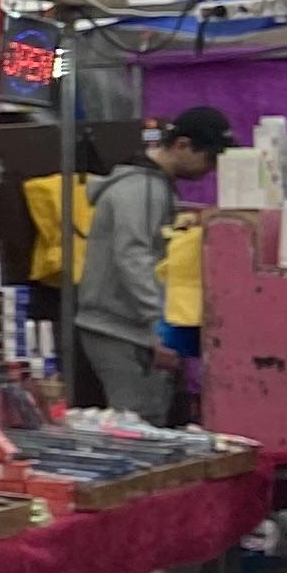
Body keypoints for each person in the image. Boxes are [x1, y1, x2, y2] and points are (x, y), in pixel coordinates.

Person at [75, 105, 227, 419]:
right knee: (138, 425)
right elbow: (134, 259)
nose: (210, 169)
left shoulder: (153, 186)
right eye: (209, 158)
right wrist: (161, 328)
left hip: (127, 324)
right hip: (120, 328)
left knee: (146, 420)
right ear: (182, 145)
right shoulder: (140, 188)